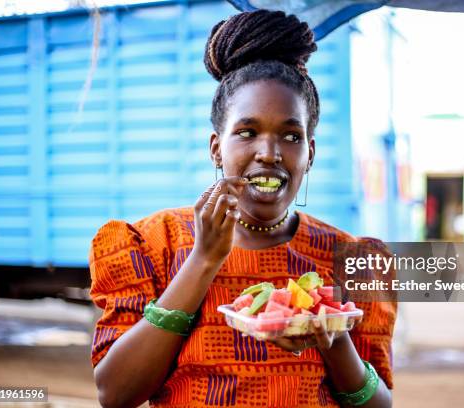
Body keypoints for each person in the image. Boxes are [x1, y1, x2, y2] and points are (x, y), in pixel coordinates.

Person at [89, 10, 396, 408]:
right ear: (216, 147)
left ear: (310, 153)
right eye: (247, 133)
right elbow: (115, 394)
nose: (269, 153)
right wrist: (203, 259)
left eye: (290, 135)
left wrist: (333, 337)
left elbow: (382, 405)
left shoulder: (352, 258)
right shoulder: (153, 244)